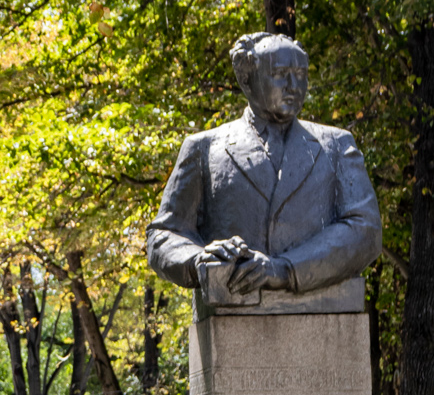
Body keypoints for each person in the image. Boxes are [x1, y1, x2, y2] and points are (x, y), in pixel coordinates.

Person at [146, 30, 381, 303]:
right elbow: (163, 235)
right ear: (247, 79)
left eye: (301, 74)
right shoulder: (204, 148)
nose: (294, 85)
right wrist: (199, 260)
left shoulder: (337, 145)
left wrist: (283, 268)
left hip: (324, 309)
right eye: (280, 73)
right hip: (231, 309)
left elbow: (366, 230)